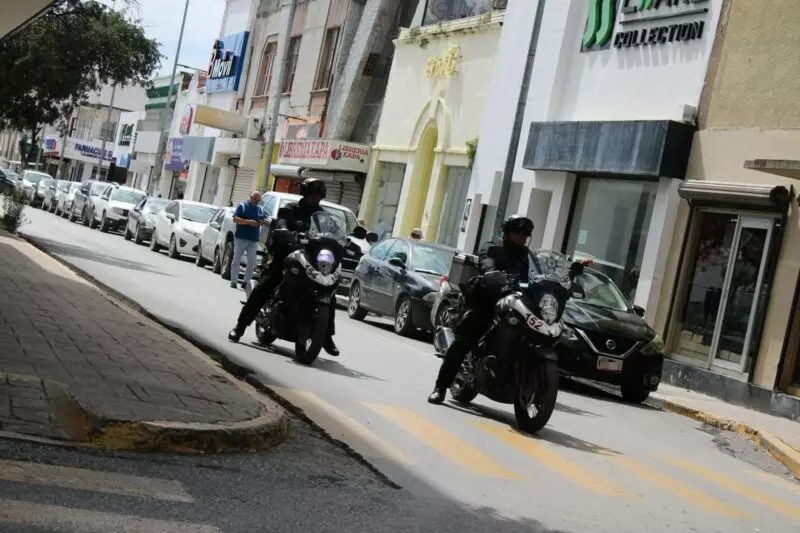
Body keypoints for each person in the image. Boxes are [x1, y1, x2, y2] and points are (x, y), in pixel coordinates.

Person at [427, 214, 535, 404]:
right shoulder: (492, 247)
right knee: (464, 340)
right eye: (518, 233)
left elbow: (532, 277)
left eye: (525, 234)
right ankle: (440, 387)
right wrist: (492, 273)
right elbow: (486, 263)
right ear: (507, 232)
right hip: (487, 300)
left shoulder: (526, 255)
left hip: (513, 303)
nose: (522, 237)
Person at [227, 178, 339, 356]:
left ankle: (326, 336)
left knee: (329, 294)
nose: (315, 198)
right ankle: (240, 327)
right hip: (287, 255)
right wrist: (284, 230)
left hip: (311, 260)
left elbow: (333, 233)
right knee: (267, 284)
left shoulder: (324, 216)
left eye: (318, 195)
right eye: (312, 194)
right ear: (305, 193)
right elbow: (281, 223)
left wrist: (343, 242)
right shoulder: (290, 210)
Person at [229, 191, 264, 289]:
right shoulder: (242, 206)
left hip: (253, 239)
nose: (257, 201)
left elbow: (263, 220)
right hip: (241, 238)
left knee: (252, 262)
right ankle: (233, 281)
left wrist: (259, 222)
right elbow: (235, 219)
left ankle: (246, 282)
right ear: (251, 197)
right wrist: (248, 222)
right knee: (236, 259)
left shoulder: (260, 209)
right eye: (255, 199)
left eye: (258, 200)